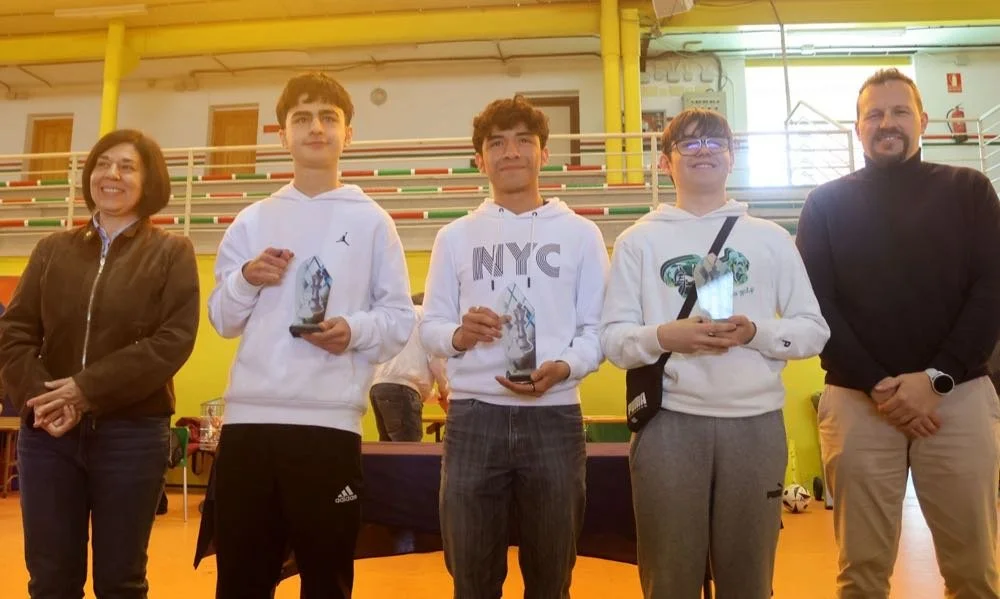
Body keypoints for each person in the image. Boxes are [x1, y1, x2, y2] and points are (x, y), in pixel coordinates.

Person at [600, 108, 829, 599]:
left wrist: (755, 332)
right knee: (669, 578)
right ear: (665, 162)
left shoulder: (771, 239)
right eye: (688, 143)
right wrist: (665, 337)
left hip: (755, 424)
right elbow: (614, 340)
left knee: (749, 579)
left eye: (714, 143)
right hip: (669, 425)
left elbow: (813, 331)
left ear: (732, 156)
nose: (703, 151)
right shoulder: (638, 241)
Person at [207, 72, 414, 599]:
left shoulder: (373, 222)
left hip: (329, 427)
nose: (315, 128)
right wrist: (245, 279)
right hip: (250, 426)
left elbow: (398, 320)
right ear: (282, 135)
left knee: (326, 582)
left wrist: (353, 331)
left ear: (349, 133)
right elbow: (222, 320)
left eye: (328, 117)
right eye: (302, 118)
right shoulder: (252, 220)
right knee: (241, 582)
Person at [796, 68, 1000, 599]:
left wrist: (936, 379)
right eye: (875, 114)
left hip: (957, 398)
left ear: (923, 121)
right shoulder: (825, 204)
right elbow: (816, 304)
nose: (887, 123)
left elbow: (992, 290)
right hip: (858, 401)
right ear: (858, 128)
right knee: (861, 575)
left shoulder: (970, 190)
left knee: (974, 571)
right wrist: (880, 386)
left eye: (900, 111)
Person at [419, 95, 609, 598]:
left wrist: (565, 366)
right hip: (473, 416)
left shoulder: (582, 235)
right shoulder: (454, 237)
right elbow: (430, 327)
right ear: (479, 159)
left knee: (551, 578)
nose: (511, 152)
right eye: (496, 143)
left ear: (544, 153)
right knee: (471, 578)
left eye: (524, 140)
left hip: (555, 416)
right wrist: (459, 335)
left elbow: (598, 332)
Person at [0, 128, 200, 598]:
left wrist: (86, 390)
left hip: (132, 435)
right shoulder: (51, 250)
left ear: (148, 181)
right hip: (49, 435)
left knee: (120, 581)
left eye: (128, 166)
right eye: (103, 164)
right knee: (50, 580)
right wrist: (45, 399)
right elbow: (15, 333)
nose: (112, 174)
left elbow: (172, 340)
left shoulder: (173, 252)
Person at [369, 292, 449, 441]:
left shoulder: (399, 318)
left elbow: (404, 367)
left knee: (388, 450)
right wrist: (446, 393)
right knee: (409, 450)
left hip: (378, 387)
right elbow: (436, 361)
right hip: (402, 390)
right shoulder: (427, 318)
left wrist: (433, 395)